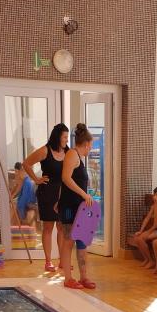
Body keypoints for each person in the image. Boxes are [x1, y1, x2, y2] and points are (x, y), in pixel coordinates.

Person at [23, 123, 69, 273]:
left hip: (63, 193)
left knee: (61, 227)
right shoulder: (45, 150)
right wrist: (36, 179)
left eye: (67, 137)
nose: (67, 140)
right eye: (64, 137)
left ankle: (62, 261)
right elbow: (26, 163)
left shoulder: (68, 151)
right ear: (57, 137)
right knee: (48, 227)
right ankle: (48, 261)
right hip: (47, 193)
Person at [58, 123, 97, 290]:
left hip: (80, 207)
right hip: (69, 206)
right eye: (91, 145)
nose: (91, 148)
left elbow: (70, 181)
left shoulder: (79, 158)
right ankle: (68, 278)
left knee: (82, 241)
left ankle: (84, 277)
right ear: (86, 144)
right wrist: (84, 195)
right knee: (69, 241)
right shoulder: (72, 155)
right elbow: (65, 178)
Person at [130, 186, 157, 267]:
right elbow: (147, 218)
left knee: (141, 238)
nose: (154, 197)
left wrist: (149, 231)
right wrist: (141, 230)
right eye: (154, 195)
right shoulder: (154, 205)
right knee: (137, 238)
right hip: (154, 229)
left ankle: (151, 261)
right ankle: (147, 259)